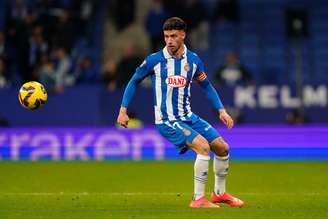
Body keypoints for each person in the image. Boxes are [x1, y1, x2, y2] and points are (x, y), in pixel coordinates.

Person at [117, 17, 244, 208]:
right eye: (166, 36)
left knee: (222, 147)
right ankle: (198, 200)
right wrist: (123, 110)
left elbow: (207, 85)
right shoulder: (154, 60)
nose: (169, 40)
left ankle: (219, 193)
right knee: (203, 147)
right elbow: (134, 81)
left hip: (188, 116)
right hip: (167, 120)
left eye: (173, 36)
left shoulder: (193, 60)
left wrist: (221, 111)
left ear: (183, 35)